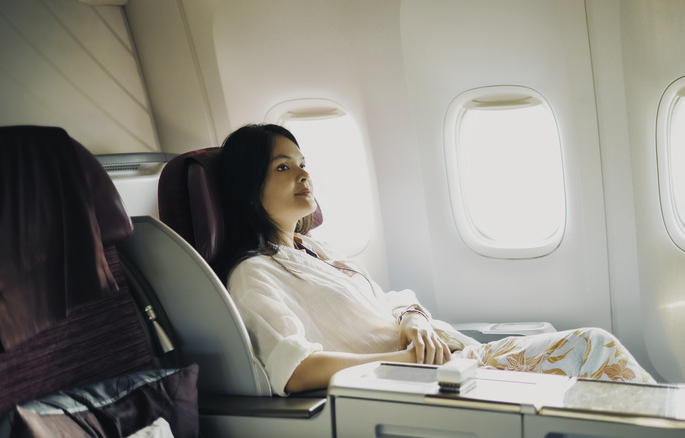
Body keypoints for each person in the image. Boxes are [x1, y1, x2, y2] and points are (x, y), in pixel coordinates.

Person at [219, 124, 655, 397]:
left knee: (589, 371)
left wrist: (413, 318)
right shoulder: (255, 274)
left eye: (303, 163)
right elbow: (296, 370)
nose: (304, 174)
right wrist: (408, 360)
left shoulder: (317, 249)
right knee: (591, 347)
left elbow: (385, 302)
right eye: (282, 167)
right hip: (421, 382)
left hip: (444, 359)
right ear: (247, 185)